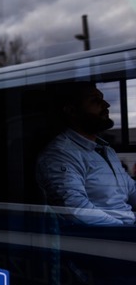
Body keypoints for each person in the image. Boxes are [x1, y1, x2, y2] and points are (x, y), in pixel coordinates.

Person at [36, 81, 136, 226]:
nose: (106, 105)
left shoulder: (105, 150)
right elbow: (76, 211)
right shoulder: (60, 154)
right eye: (95, 100)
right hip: (105, 238)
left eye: (102, 98)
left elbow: (131, 190)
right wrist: (125, 230)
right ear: (71, 110)